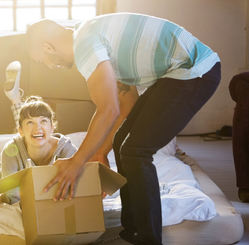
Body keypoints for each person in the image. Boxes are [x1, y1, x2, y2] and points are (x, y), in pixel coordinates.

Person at [25, 13, 221, 245]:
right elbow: (126, 104)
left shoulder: (85, 45)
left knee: (136, 150)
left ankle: (148, 240)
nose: (50, 66)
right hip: (175, 74)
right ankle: (132, 233)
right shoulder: (91, 36)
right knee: (122, 143)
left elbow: (108, 109)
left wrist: (76, 163)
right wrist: (100, 153)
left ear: (48, 47)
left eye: (42, 61)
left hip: (193, 70)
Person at [0, 61, 77, 206]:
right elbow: (12, 193)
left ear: (52, 128)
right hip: (4, 172)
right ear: (19, 131)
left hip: (20, 164)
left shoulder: (66, 148)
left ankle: (14, 97)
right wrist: (4, 196)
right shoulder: (10, 149)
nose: (37, 128)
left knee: (26, 120)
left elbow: (85, 174)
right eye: (31, 123)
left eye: (43, 121)